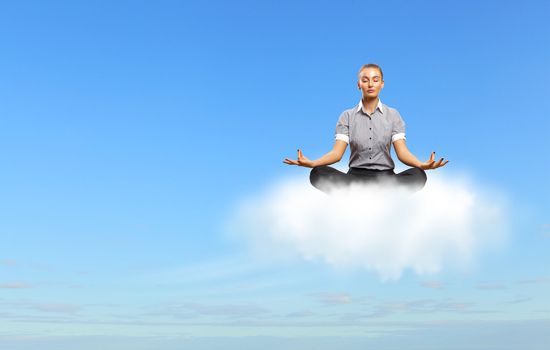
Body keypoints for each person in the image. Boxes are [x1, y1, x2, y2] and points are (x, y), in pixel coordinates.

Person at [283, 63, 448, 193]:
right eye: (365, 79)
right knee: (317, 173)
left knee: (418, 175)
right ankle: (357, 197)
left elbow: (402, 153)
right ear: (358, 84)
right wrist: (313, 163)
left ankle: (382, 195)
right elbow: (337, 154)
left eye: (375, 79)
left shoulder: (393, 115)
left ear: (382, 84)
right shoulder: (346, 116)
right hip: (355, 178)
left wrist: (421, 164)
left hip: (386, 179)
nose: (370, 84)